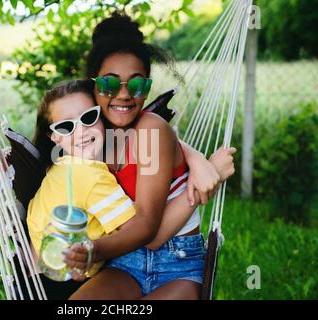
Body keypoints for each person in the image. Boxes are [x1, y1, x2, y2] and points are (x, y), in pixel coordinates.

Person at [63, 13, 236, 300]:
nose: (123, 95)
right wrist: (0, 165)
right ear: (92, 85)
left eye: (136, 85)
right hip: (123, 263)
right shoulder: (93, 133)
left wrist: (93, 250)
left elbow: (151, 234)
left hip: (177, 263)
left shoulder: (151, 128)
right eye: (109, 84)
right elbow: (46, 158)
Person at [27, 79, 235, 299]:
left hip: (162, 265)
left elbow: (159, 139)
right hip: (79, 274)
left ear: (103, 118)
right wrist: (210, 175)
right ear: (54, 137)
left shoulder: (72, 161)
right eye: (66, 126)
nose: (80, 131)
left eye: (88, 118)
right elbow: (147, 235)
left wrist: (194, 157)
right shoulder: (89, 173)